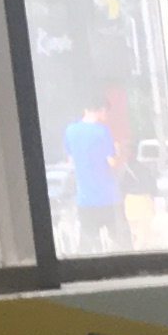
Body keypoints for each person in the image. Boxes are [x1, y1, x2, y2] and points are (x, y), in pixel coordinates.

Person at [65, 103, 124, 254]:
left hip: (84, 199)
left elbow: (71, 160)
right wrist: (119, 151)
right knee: (122, 242)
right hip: (108, 197)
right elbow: (112, 162)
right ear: (101, 110)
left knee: (86, 244)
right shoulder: (102, 131)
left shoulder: (70, 130)